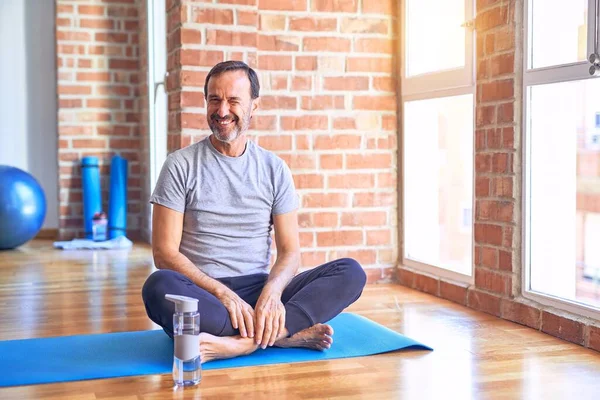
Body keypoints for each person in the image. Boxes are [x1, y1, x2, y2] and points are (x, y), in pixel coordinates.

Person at [141, 60, 366, 363]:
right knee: (158, 287)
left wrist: (272, 293)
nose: (222, 111)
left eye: (233, 100)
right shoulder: (180, 165)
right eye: (214, 99)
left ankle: (241, 343)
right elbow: (164, 254)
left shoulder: (274, 169)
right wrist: (223, 294)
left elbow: (290, 252)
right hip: (205, 294)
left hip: (259, 292)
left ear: (254, 106)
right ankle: (282, 336)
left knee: (350, 272)